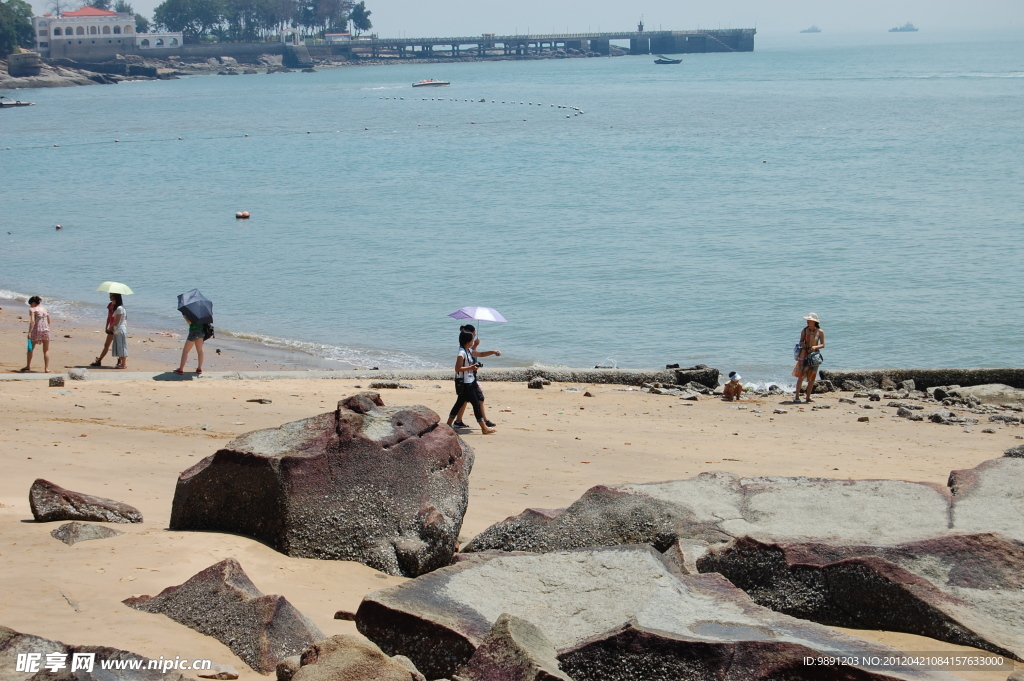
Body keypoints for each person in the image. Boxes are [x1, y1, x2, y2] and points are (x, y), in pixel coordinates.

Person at [452, 324, 502, 428]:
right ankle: (484, 424)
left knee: (466, 401)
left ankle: (457, 421)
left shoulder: (467, 349)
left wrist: (493, 351)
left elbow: (478, 354)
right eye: (473, 335)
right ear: (468, 338)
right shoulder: (462, 352)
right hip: (466, 381)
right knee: (475, 401)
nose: (474, 336)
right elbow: (458, 367)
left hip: (471, 379)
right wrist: (471, 367)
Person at [792, 313, 825, 403]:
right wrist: (803, 345)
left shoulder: (820, 332)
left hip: (814, 357)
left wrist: (815, 347)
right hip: (804, 355)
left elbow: (823, 344)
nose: (807, 321)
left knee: (812, 378)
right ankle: (797, 397)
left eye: (809, 320)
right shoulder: (804, 331)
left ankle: (808, 397)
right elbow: (800, 342)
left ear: (814, 322)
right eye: (807, 320)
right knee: (801, 377)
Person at [20, 296, 50, 373]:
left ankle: (28, 366)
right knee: (46, 350)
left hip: (37, 330)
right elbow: (49, 321)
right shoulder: (45, 309)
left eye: (30, 304)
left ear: (33, 303)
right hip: (46, 330)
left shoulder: (33, 309)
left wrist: (29, 332)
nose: (30, 306)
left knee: (30, 348)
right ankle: (46, 368)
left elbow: (32, 321)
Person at [90, 294, 118, 367]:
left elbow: (119, 319)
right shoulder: (110, 305)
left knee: (117, 345)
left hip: (117, 328)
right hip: (111, 328)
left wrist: (112, 326)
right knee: (106, 345)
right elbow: (109, 317)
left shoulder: (119, 307)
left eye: (111, 296)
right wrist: (106, 327)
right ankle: (99, 360)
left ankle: (120, 360)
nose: (110, 297)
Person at [110, 293, 128, 370]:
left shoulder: (120, 308)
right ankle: (122, 363)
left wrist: (110, 326)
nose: (111, 300)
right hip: (120, 328)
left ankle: (123, 364)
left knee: (121, 346)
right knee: (120, 346)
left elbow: (117, 320)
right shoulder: (120, 308)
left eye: (113, 299)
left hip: (120, 328)